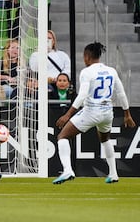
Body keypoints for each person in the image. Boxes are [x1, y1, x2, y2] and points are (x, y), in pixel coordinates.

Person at [52, 42, 136, 185]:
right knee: (105, 139)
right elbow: (121, 93)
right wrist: (127, 114)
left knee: (63, 136)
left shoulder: (87, 72)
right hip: (107, 112)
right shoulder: (111, 71)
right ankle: (114, 174)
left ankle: (67, 170)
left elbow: (83, 95)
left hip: (91, 111)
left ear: (86, 56)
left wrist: (68, 114)